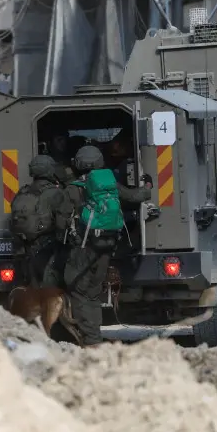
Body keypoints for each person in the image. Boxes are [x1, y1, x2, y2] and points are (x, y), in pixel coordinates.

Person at [62, 145, 152, 347]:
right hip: (106, 246)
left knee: (79, 291)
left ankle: (91, 339)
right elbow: (134, 197)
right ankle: (94, 335)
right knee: (93, 292)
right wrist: (147, 188)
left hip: (82, 248)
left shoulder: (72, 189)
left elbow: (61, 219)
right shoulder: (110, 185)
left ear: (77, 164)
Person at [8, 155, 73, 287]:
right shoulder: (56, 193)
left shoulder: (23, 192)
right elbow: (63, 224)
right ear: (50, 170)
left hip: (27, 248)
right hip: (49, 249)